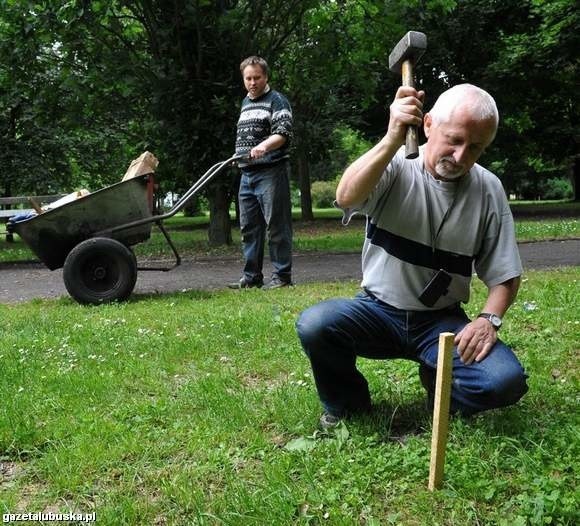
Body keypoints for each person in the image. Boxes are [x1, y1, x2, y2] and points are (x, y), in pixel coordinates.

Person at [296, 83, 529, 429]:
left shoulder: (488, 189)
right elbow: (346, 196)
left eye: (476, 147)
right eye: (454, 139)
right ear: (429, 124)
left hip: (440, 322)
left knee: (504, 381)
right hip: (377, 311)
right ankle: (348, 407)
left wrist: (487, 320)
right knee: (316, 324)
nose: (461, 156)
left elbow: (505, 275)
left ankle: (441, 388)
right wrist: (391, 138)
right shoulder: (394, 166)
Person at [228, 56, 293, 290]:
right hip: (247, 174)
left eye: (257, 77)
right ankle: (252, 277)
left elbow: (282, 133)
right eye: (248, 78)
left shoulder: (277, 101)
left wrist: (263, 146)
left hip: (270, 172)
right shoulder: (246, 103)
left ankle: (282, 277)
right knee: (249, 228)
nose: (252, 82)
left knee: (276, 226)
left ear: (265, 77)